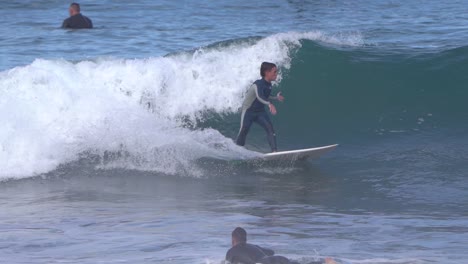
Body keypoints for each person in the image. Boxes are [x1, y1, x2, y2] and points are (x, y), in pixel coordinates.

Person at [235, 62, 284, 152]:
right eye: (274, 72)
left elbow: (266, 95)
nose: (276, 74)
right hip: (248, 111)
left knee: (270, 128)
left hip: (260, 112)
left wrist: (276, 98)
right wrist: (270, 104)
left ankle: (274, 151)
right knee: (244, 130)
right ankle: (237, 151)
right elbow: (259, 96)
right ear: (267, 72)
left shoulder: (268, 84)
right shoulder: (258, 84)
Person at [226, 227, 337, 264]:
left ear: (233, 240)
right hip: (276, 259)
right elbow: (271, 252)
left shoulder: (231, 252)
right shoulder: (254, 246)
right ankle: (325, 261)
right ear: (246, 238)